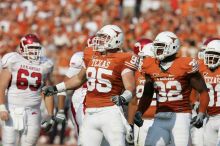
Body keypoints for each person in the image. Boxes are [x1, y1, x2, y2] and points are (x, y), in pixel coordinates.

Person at [42, 25, 139, 146]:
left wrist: (123, 97)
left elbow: (130, 87)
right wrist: (56, 88)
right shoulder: (91, 54)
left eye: (104, 37)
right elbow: (78, 79)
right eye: (100, 37)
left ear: (116, 39)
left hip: (110, 112)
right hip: (90, 112)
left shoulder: (124, 58)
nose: (99, 40)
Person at [134, 31, 210, 146]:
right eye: (157, 47)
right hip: (160, 116)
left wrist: (201, 113)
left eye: (161, 47)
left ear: (173, 47)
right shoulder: (150, 65)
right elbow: (147, 94)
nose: (158, 50)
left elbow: (203, 91)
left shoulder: (184, 64)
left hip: (181, 116)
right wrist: (140, 111)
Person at [0, 34, 54, 146]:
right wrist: (2, 108)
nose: (34, 51)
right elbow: (2, 86)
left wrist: (50, 114)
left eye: (36, 48)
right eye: (31, 48)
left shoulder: (44, 64)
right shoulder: (13, 60)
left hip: (33, 110)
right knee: (9, 142)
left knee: (30, 143)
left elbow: (47, 91)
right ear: (22, 48)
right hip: (12, 109)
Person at [128, 38, 156, 146]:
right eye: (141, 57)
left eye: (144, 57)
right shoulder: (136, 74)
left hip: (159, 120)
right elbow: (133, 102)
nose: (142, 60)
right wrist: (130, 125)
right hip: (142, 121)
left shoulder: (163, 74)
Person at [199, 40, 220, 146]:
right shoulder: (201, 68)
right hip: (209, 117)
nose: (211, 58)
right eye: (209, 55)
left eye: (215, 55)